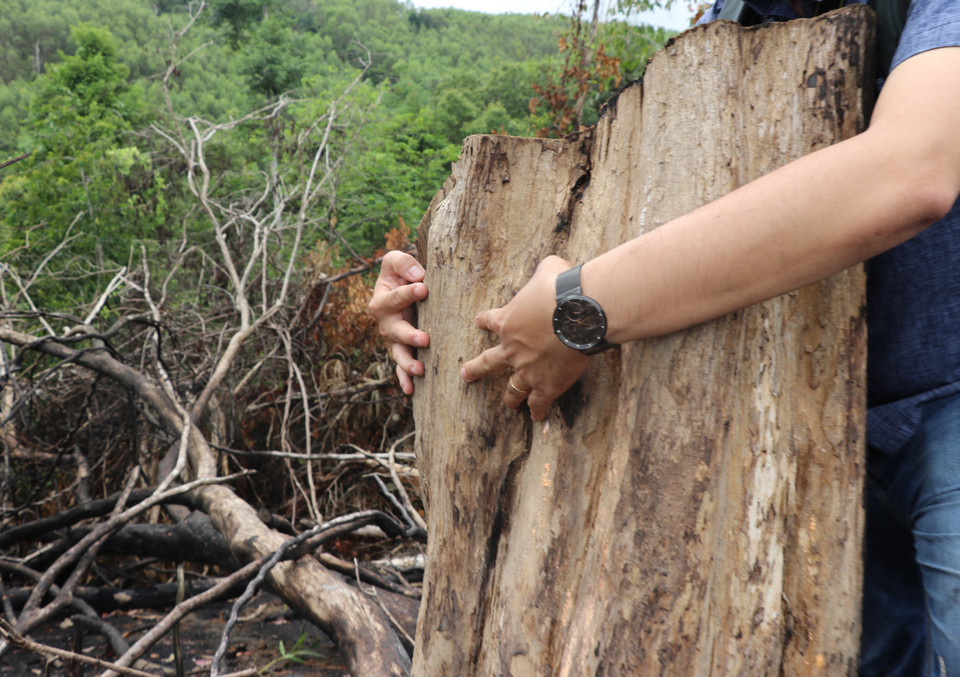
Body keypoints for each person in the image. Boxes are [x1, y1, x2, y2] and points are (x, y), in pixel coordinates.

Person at [368, 1, 960, 674]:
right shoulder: (729, 17)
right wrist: (435, 289)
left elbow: (913, 171)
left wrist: (577, 311)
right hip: (790, 429)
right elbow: (630, 201)